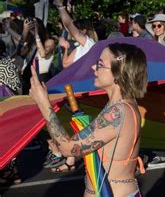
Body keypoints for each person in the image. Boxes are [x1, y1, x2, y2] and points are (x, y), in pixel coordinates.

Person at [29, 43, 148, 196]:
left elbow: (67, 148)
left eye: (100, 64)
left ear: (118, 72)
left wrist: (44, 104)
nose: (93, 68)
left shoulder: (119, 111)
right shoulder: (121, 105)